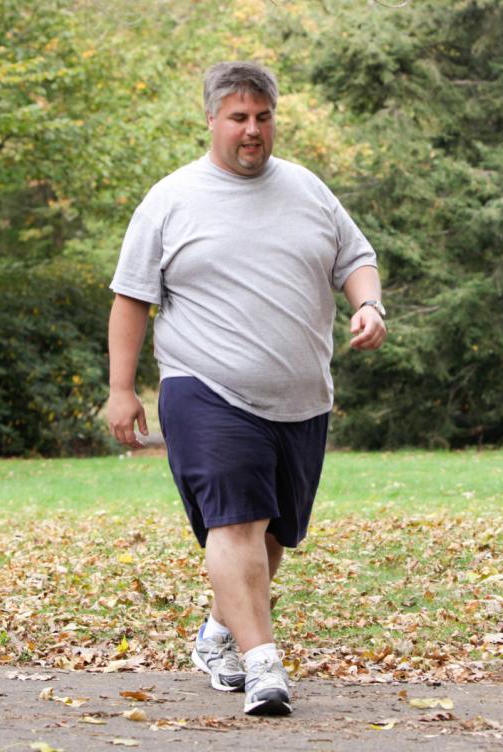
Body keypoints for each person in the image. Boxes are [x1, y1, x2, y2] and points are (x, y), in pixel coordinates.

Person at [107, 61, 386, 717]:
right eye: (238, 117)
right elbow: (130, 299)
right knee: (235, 522)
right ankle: (264, 668)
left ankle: (217, 634)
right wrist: (122, 389)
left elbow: (356, 260)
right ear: (211, 120)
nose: (252, 130)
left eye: (263, 117)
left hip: (301, 398)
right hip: (204, 388)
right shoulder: (171, 200)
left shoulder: (308, 190)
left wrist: (369, 306)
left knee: (271, 536)